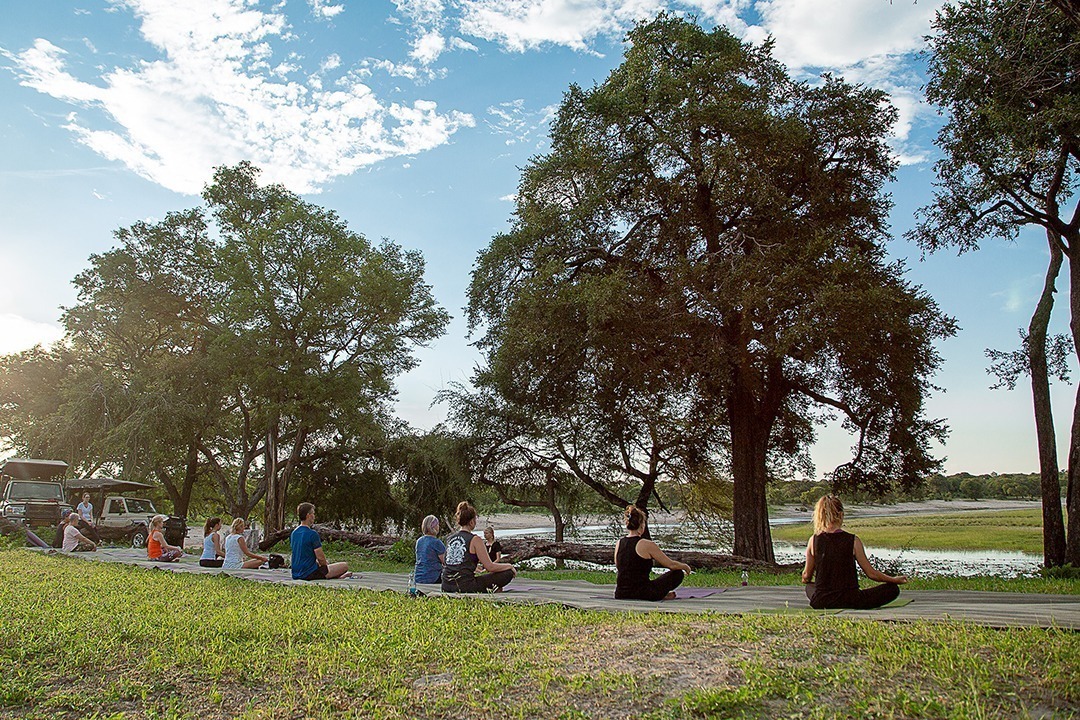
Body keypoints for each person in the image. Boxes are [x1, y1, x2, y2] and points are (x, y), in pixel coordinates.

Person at [801, 495, 907, 610]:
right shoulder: (853, 540)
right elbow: (871, 574)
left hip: (822, 601)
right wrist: (894, 580)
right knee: (893, 589)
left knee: (809, 587)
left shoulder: (813, 540)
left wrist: (807, 579)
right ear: (841, 514)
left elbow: (806, 576)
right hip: (851, 600)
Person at [614, 505, 690, 601]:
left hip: (621, 593)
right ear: (642, 525)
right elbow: (671, 565)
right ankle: (661, 594)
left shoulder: (619, 543)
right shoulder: (646, 544)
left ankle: (662, 594)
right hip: (644, 593)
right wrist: (685, 567)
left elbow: (619, 566)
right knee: (677, 574)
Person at [442, 501, 515, 593]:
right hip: (465, 586)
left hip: (446, 585)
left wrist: (475, 568)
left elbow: (448, 563)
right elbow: (490, 567)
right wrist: (510, 566)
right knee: (508, 573)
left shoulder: (450, 539)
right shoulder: (475, 539)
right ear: (472, 522)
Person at [290, 503, 350, 580]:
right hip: (309, 574)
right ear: (308, 515)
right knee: (344, 566)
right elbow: (321, 558)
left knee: (324, 565)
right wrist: (324, 565)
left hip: (295, 573)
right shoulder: (312, 534)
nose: (314, 516)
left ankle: (335, 575)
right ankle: (336, 576)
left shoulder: (294, 533)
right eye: (313, 514)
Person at [413, 515, 446, 584]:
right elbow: (445, 561)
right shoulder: (437, 542)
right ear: (434, 527)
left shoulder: (419, 541)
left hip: (418, 577)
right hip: (433, 577)